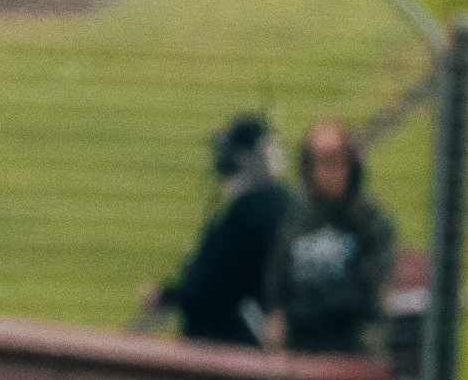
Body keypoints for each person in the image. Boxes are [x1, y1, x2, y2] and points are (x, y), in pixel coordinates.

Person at [146, 112, 288, 347]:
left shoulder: (243, 215)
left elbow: (208, 285)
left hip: (232, 345)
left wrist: (168, 297)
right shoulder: (290, 205)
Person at [264, 118, 397, 357]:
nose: (327, 171)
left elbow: (368, 294)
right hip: (297, 343)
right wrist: (277, 318)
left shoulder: (369, 223)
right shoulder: (296, 220)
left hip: (348, 344)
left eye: (334, 161)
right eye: (319, 162)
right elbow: (277, 280)